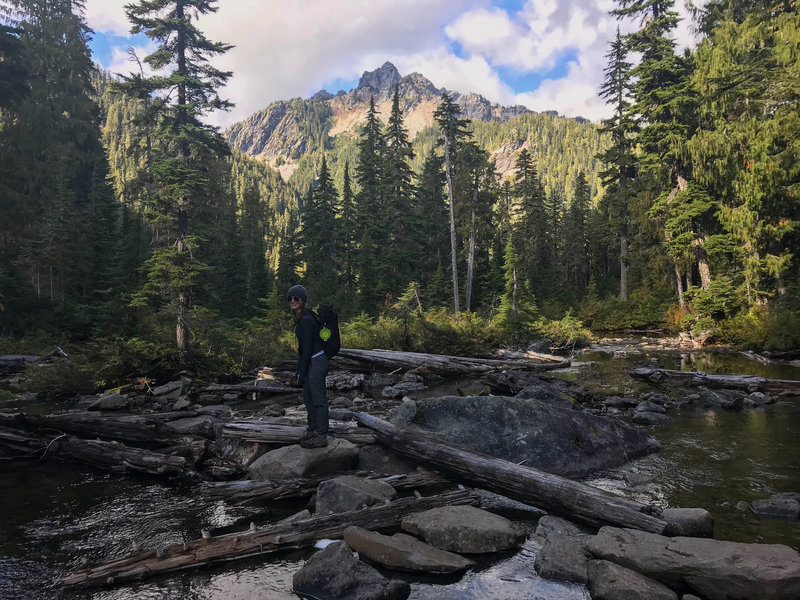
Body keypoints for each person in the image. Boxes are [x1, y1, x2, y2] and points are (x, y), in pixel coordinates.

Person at [287, 284, 330, 448]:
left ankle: (322, 434)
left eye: (296, 298)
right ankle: (312, 429)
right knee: (308, 397)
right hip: (312, 359)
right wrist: (300, 370)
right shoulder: (302, 316)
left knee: (318, 398)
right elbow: (303, 350)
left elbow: (306, 349)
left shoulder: (305, 319)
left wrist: (301, 373)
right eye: (290, 298)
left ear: (302, 300)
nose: (292, 301)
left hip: (317, 360)